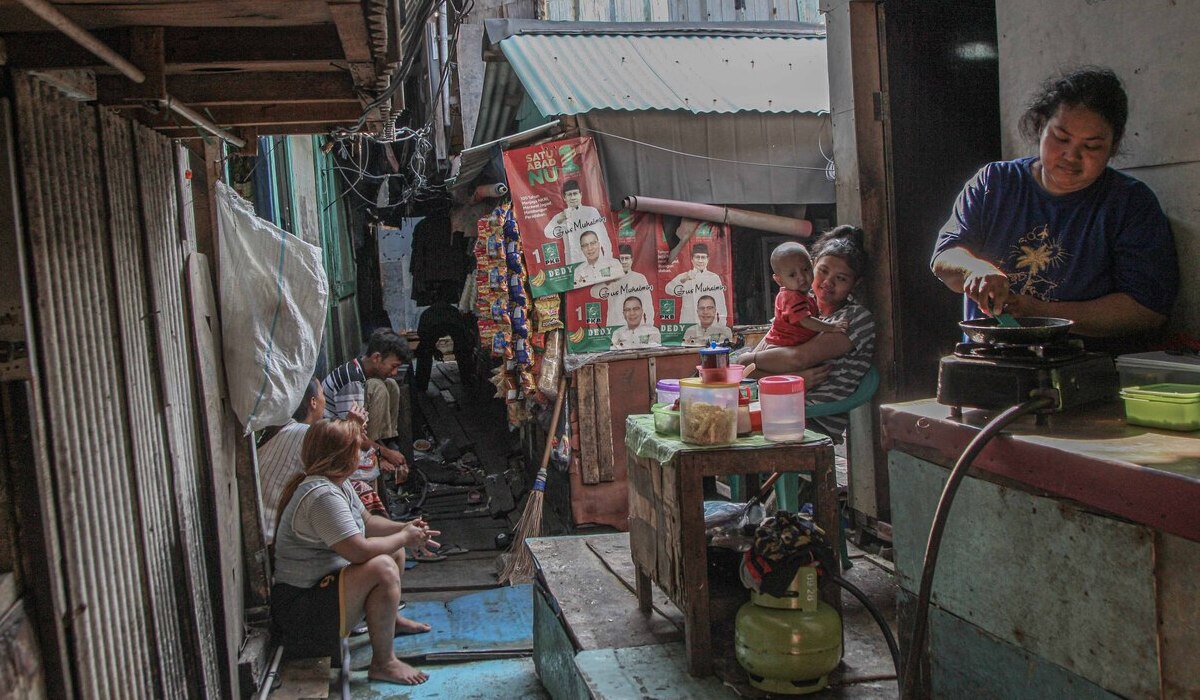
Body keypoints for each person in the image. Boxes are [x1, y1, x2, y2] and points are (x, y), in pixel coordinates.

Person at [931, 67, 1178, 353]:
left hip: (1085, 372)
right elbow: (944, 257)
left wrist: (1042, 312)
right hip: (990, 363)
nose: (1072, 156)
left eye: (1092, 146)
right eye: (1061, 138)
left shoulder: (1130, 204)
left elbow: (1147, 309)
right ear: (1040, 126)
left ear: (1113, 147)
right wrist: (975, 269)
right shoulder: (995, 182)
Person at [271, 418, 435, 685]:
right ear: (342, 456)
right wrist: (404, 537)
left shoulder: (337, 483)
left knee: (394, 552)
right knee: (383, 566)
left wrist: (404, 527)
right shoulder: (321, 496)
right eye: (357, 448)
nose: (362, 453)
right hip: (302, 611)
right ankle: (384, 663)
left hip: (322, 593)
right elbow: (360, 552)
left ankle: (389, 620)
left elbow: (369, 523)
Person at [738, 226, 875, 438]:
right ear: (812, 266)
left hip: (812, 416)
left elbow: (797, 358)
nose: (828, 282)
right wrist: (792, 377)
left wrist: (748, 361)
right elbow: (748, 371)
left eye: (841, 278)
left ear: (854, 284)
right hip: (776, 406)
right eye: (823, 271)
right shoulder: (797, 306)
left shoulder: (854, 319)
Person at [322, 329, 411, 516]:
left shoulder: (361, 371)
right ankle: (377, 452)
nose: (394, 372)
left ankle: (381, 445)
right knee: (380, 387)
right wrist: (384, 453)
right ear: (377, 358)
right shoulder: (352, 380)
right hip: (335, 441)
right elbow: (351, 433)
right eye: (393, 366)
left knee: (391, 385)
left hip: (353, 432)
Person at [259, 378, 325, 544]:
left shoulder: (281, 429)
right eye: (322, 394)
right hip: (275, 535)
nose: (325, 399)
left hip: (265, 529)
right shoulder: (306, 434)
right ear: (313, 402)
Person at [543, 178, 614, 266]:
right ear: (564, 198)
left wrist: (608, 259)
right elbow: (547, 233)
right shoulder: (560, 216)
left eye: (575, 194)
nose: (573, 197)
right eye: (569, 195)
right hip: (574, 262)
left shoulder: (591, 211)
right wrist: (559, 221)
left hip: (596, 261)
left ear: (580, 195)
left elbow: (604, 238)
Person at [665, 241, 728, 325]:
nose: (700, 261)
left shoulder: (714, 278)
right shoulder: (684, 276)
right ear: (692, 259)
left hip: (709, 323)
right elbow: (668, 289)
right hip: (689, 321)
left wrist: (722, 324)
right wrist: (685, 279)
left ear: (708, 260)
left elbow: (721, 304)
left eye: (703, 257)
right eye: (697, 257)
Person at [594, 243, 654, 327]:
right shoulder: (609, 278)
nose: (624, 261)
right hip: (615, 325)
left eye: (627, 258)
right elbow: (594, 293)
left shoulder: (640, 278)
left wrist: (649, 325)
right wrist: (607, 282)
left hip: (636, 326)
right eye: (621, 259)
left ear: (632, 260)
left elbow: (648, 305)